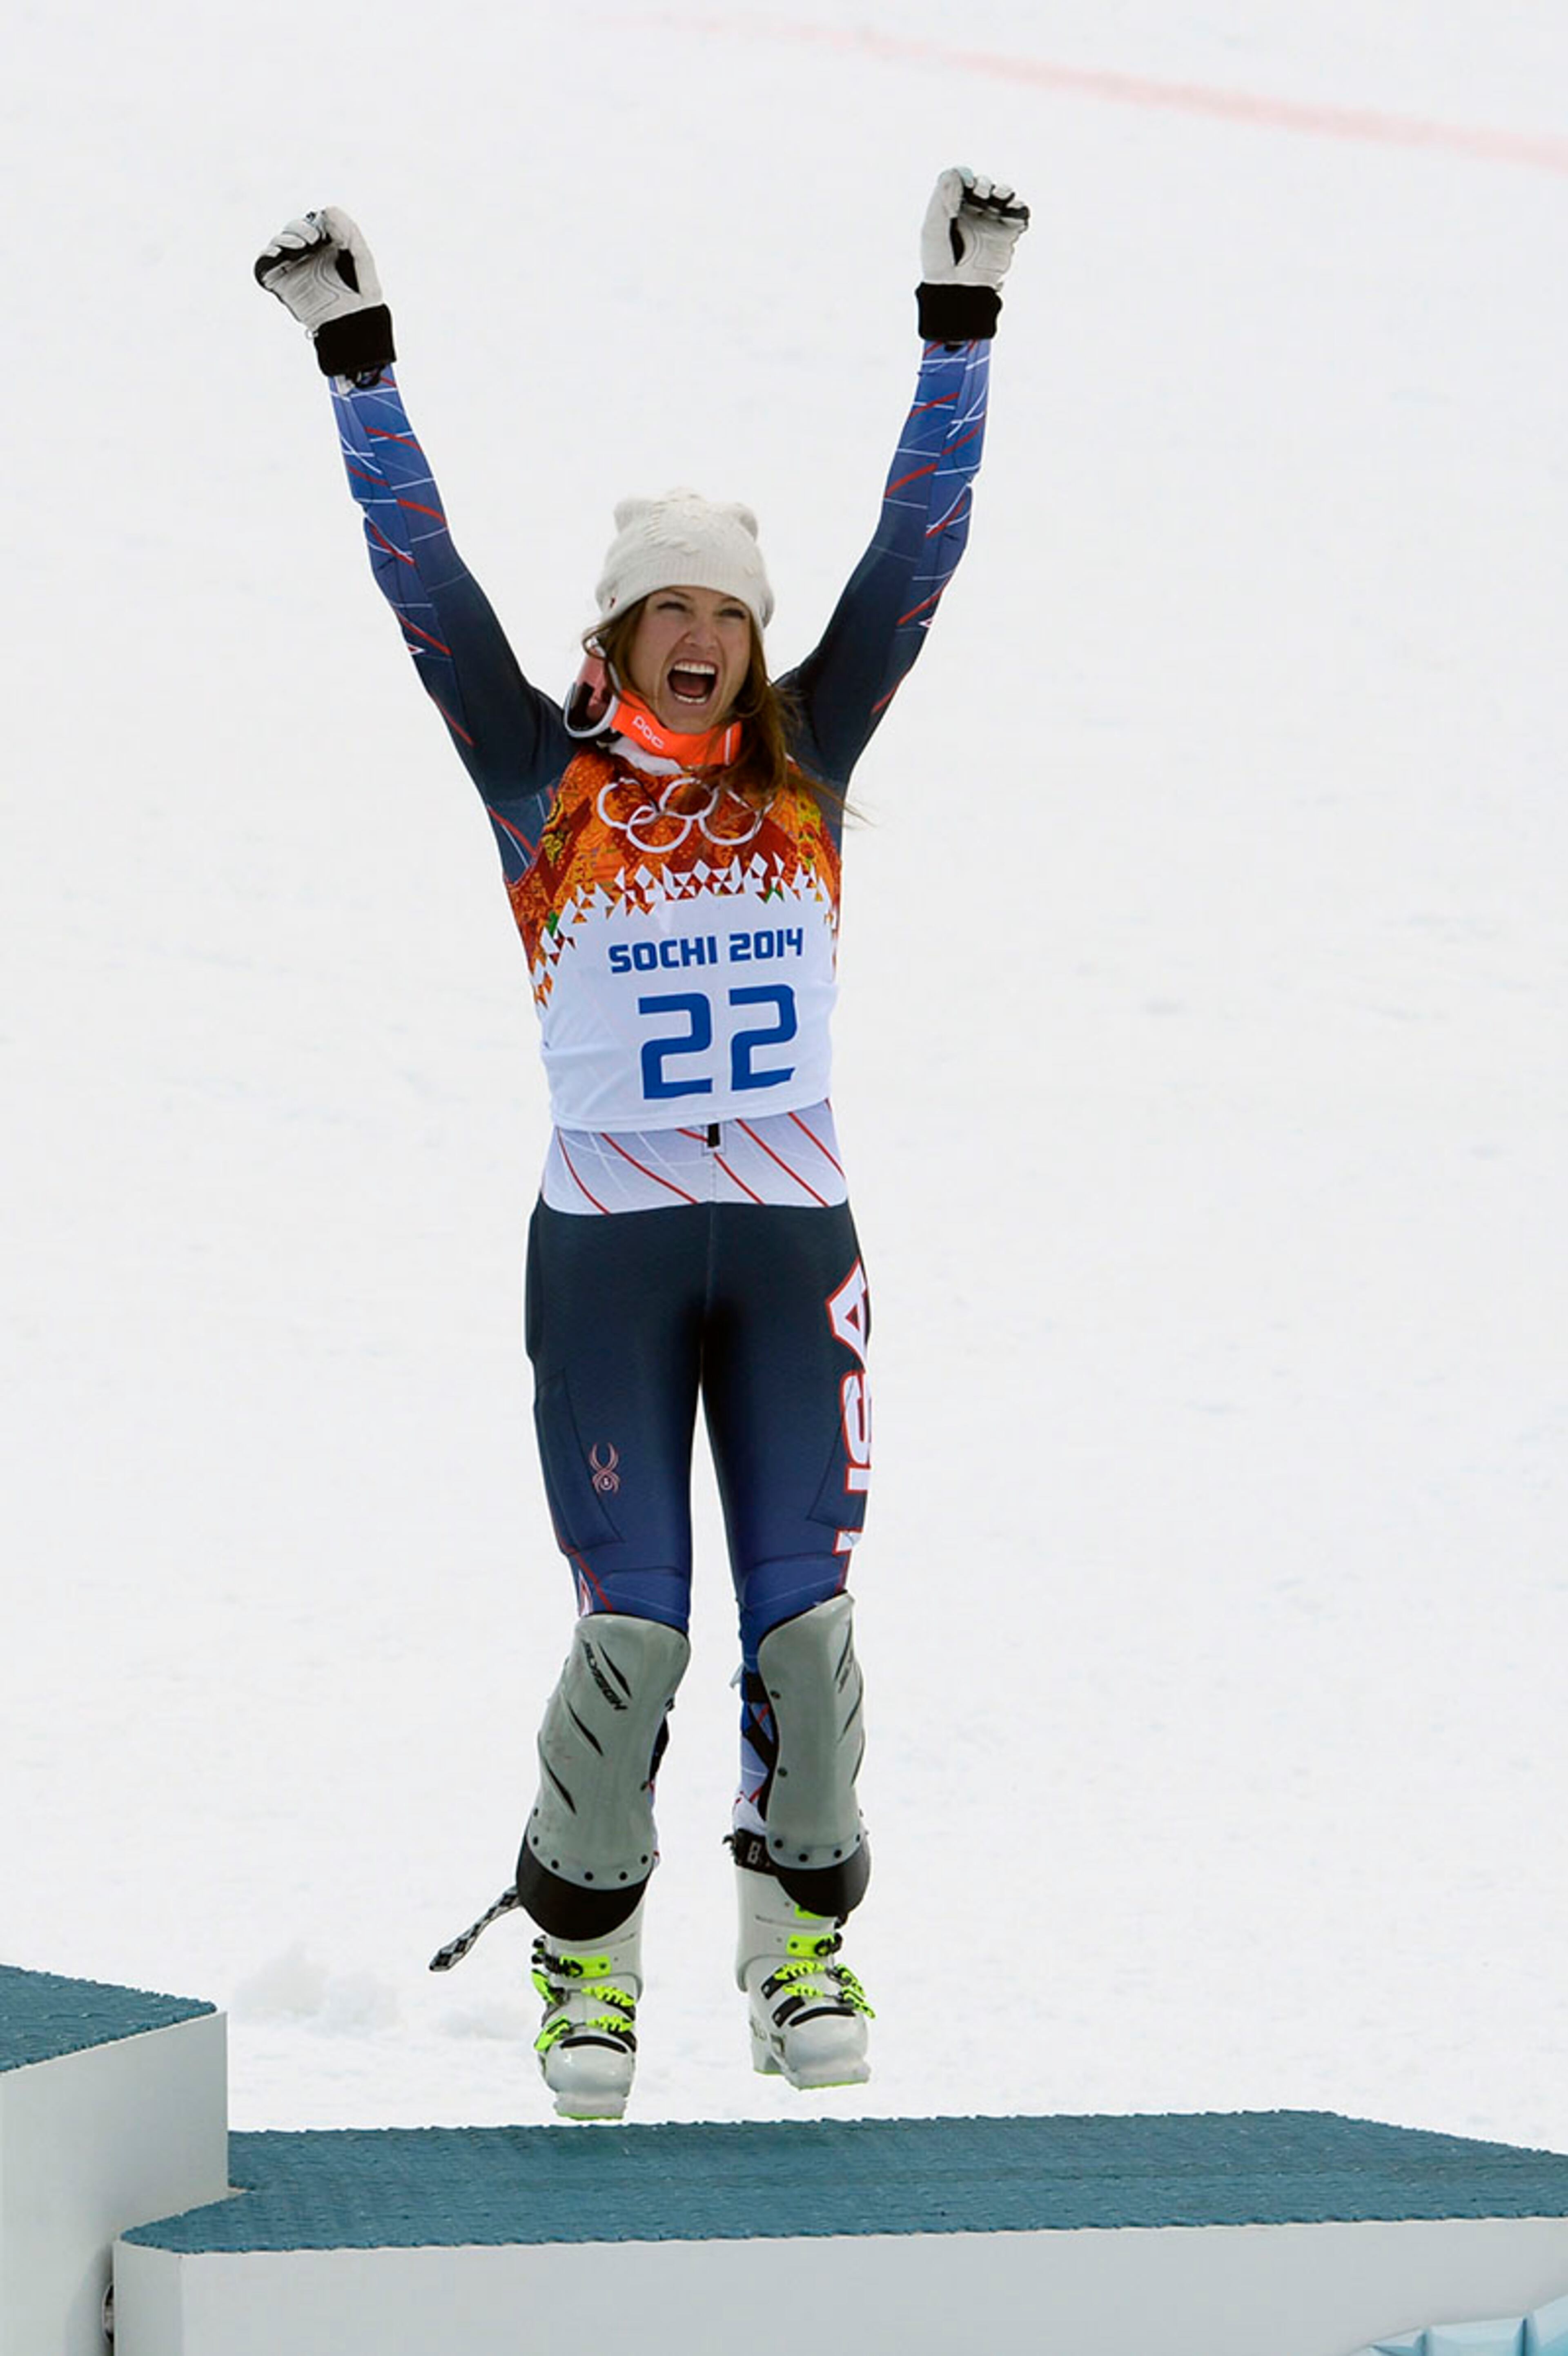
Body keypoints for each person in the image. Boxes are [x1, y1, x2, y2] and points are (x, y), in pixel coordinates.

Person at [255, 167, 1028, 2121]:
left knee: (816, 1639)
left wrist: (961, 333)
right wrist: (360, 364)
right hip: (604, 1255)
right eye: (666, 609)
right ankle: (583, 1972)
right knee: (631, 1644)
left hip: (789, 1252)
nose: (702, 636)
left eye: (726, 614)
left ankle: (798, 1940)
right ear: (615, 633)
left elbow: (912, 569)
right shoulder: (540, 781)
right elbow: (421, 585)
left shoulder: (807, 759)